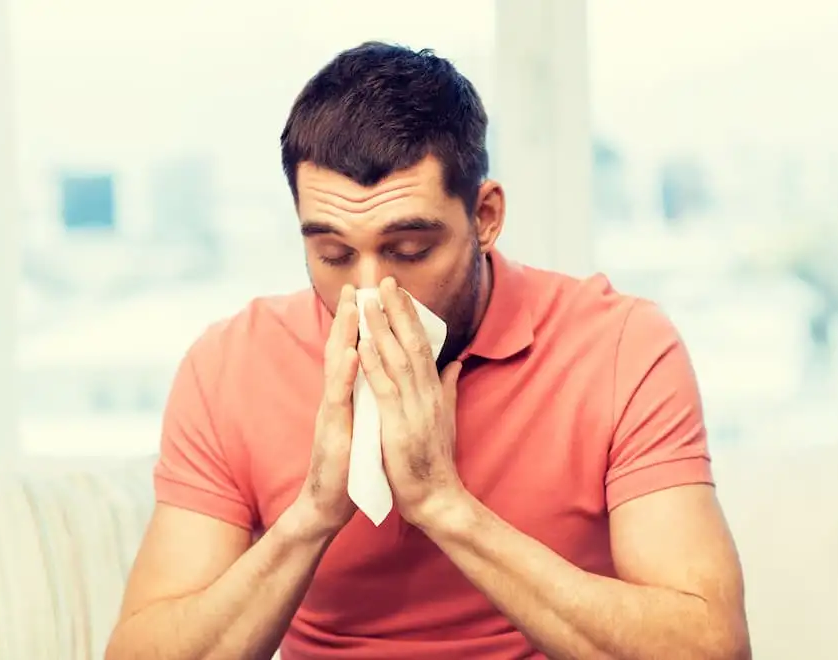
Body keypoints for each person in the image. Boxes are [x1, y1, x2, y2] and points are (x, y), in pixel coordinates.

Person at [105, 42, 751, 660]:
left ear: (486, 217)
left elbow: (709, 649)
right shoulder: (230, 367)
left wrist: (445, 505)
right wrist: (312, 515)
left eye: (409, 250)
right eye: (332, 254)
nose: (368, 292)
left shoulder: (619, 346)